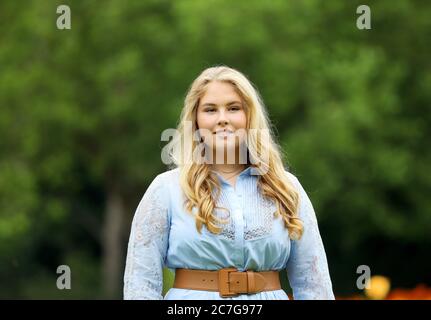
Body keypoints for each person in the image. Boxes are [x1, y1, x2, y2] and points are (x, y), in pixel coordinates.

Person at [123, 65, 335, 300]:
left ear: (249, 116)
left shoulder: (287, 188)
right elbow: (140, 285)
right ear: (195, 120)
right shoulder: (166, 190)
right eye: (210, 110)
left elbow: (314, 285)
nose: (222, 119)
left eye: (233, 108)